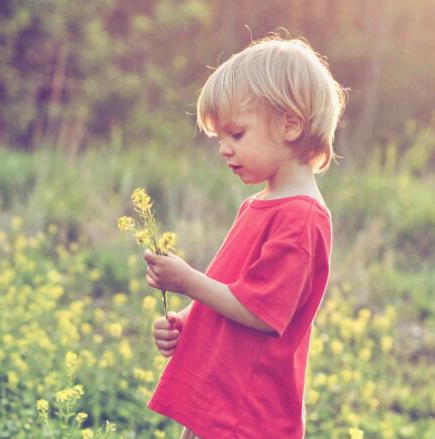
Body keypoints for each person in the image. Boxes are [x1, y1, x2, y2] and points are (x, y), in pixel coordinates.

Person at [142, 33, 347, 438]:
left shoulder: (301, 218)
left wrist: (188, 282)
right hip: (221, 396)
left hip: (250, 413)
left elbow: (261, 312)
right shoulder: (259, 205)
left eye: (236, 134)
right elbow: (234, 289)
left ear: (290, 124)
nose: (223, 149)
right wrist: (188, 321)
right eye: (220, 138)